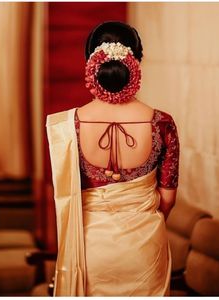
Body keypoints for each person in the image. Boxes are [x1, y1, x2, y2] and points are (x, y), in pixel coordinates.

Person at [46, 21, 179, 296]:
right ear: (137, 62)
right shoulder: (162, 123)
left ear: (91, 63)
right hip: (145, 250)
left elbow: (64, 194)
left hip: (88, 248)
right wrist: (137, 220)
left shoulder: (68, 125)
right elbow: (168, 200)